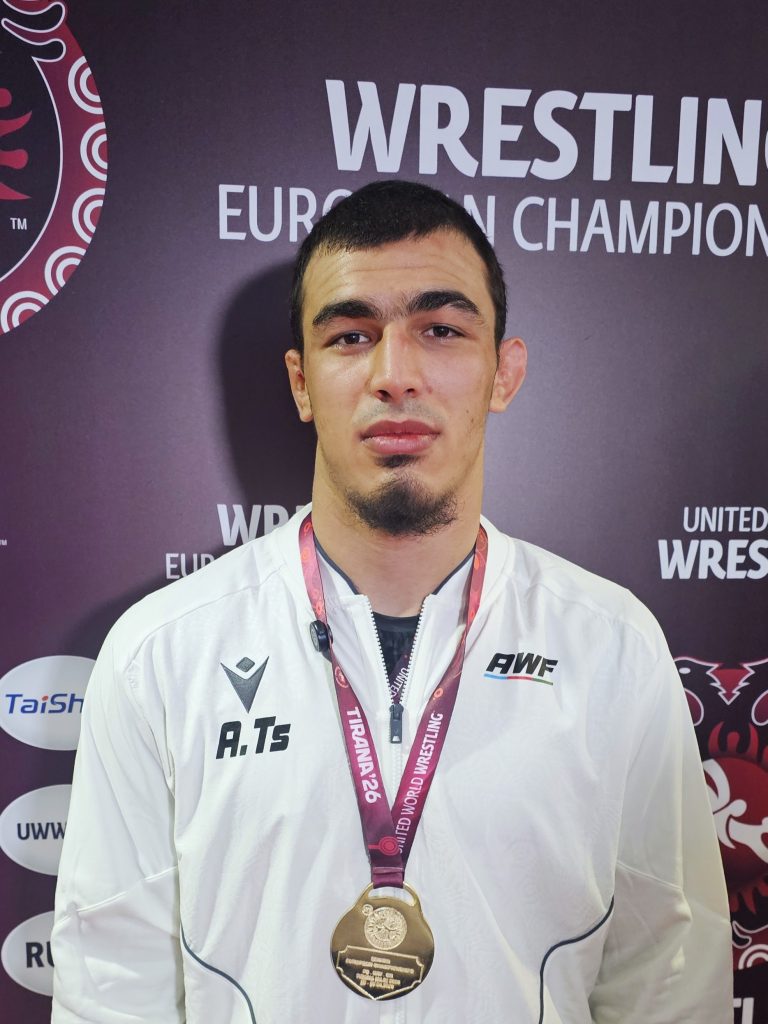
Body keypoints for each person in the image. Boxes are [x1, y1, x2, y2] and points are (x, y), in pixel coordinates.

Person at [52, 180, 732, 1023]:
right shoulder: (161, 653)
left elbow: (670, 980)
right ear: (302, 383)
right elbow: (111, 990)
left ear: (504, 372)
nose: (394, 375)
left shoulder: (612, 646)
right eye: (351, 335)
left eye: (440, 329)